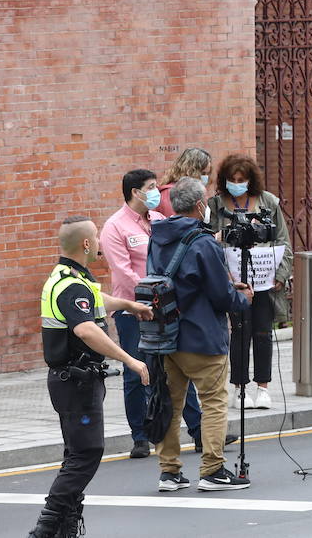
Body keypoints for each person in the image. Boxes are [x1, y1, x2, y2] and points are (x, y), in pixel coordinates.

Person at [28, 217, 153, 538]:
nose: (98, 241)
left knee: (77, 453)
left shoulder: (68, 277)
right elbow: (85, 328)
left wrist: (129, 304)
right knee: (86, 453)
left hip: (73, 380)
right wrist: (129, 360)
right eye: (95, 236)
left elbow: (96, 299)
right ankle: (47, 527)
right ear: (86, 244)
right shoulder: (70, 286)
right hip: (76, 382)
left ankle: (66, 526)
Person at [150, 177, 254, 492]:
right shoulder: (203, 241)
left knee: (171, 402)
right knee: (213, 401)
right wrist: (242, 299)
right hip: (202, 334)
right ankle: (212, 469)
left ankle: (169, 471)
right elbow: (221, 296)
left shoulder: (157, 237)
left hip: (166, 335)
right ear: (200, 205)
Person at [99, 169, 202, 459]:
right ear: (136, 192)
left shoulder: (158, 221)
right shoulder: (114, 227)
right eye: (152, 187)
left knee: (177, 366)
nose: (157, 192)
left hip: (163, 307)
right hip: (132, 309)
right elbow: (123, 271)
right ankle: (140, 437)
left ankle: (198, 430)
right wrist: (148, 298)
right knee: (136, 371)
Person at [207, 153, 291, 412]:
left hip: (265, 281)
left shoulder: (268, 201)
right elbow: (208, 243)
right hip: (233, 280)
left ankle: (263, 388)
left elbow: (283, 241)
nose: (236, 183)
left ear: (250, 179)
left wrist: (280, 274)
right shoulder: (216, 204)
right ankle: (239, 386)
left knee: (263, 333)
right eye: (232, 180)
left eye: (241, 180)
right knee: (240, 333)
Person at [158, 148, 211, 217]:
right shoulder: (172, 194)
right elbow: (176, 224)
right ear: (191, 171)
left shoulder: (193, 192)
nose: (205, 177)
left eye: (207, 173)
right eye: (203, 173)